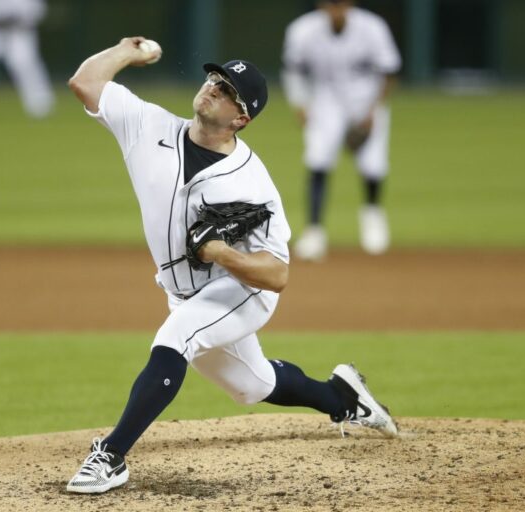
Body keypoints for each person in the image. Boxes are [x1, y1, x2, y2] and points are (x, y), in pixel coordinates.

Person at [65, 36, 398, 495]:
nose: (213, 88)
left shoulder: (252, 181)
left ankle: (111, 456)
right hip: (183, 291)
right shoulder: (148, 126)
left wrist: (223, 253)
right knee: (252, 385)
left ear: (240, 118)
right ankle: (342, 397)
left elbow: (278, 274)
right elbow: (85, 82)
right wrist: (127, 50)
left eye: (226, 90)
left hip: (241, 292)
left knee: (176, 337)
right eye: (214, 79)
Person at [282, 0, 401, 258]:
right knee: (317, 159)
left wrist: (375, 110)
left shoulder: (372, 27)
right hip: (325, 101)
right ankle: (314, 232)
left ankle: (373, 220)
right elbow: (293, 71)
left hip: (365, 100)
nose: (336, 8)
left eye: (340, 3)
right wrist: (299, 105)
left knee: (373, 164)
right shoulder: (302, 30)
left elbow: (389, 71)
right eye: (331, 3)